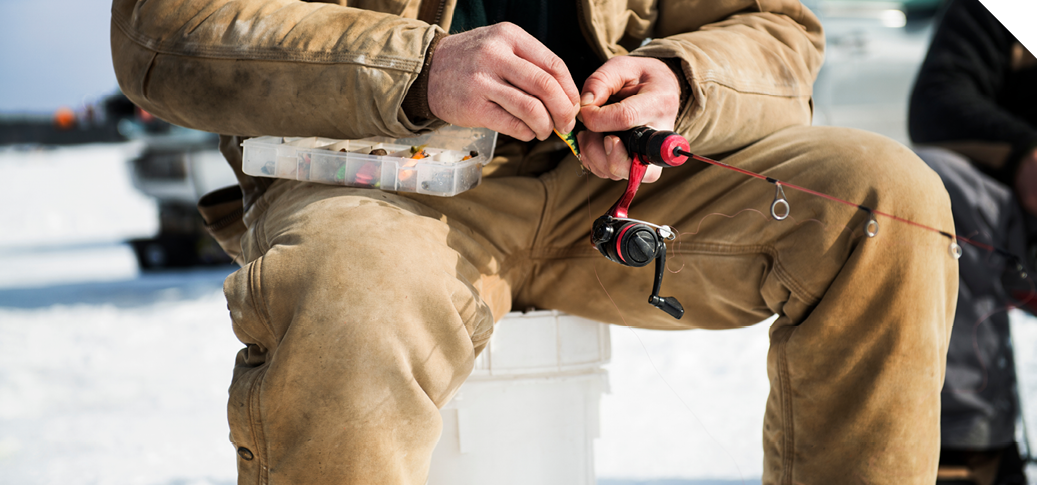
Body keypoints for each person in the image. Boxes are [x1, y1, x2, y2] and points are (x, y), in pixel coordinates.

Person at [110, 0, 958, 483]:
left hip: (618, 183)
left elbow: (776, 27)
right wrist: (418, 68)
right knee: (352, 288)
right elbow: (160, 30)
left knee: (883, 203)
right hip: (376, 180)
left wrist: (678, 80)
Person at [909, 0, 1037, 483]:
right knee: (935, 184)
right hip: (1019, 236)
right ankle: (973, 450)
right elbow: (936, 102)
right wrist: (1024, 154)